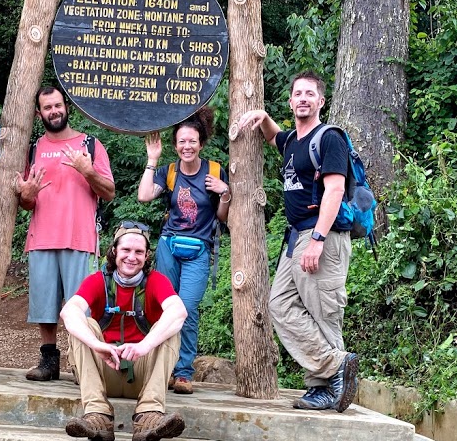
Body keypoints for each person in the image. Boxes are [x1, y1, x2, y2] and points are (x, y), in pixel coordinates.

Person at [236, 70, 359, 412]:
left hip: (322, 234)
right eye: (297, 94)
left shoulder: (329, 138)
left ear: (321, 101)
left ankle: (326, 388)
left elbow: (334, 189)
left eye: (310, 94)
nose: (303, 98)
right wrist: (263, 118)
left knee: (324, 312)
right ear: (290, 101)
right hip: (296, 237)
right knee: (280, 304)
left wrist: (318, 238)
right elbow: (274, 137)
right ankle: (335, 367)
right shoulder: (292, 141)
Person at [59, 223, 187, 441]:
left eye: (139, 252)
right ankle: (97, 416)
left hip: (143, 374)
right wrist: (97, 345)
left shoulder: (156, 281)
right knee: (83, 325)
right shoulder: (98, 280)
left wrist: (143, 346)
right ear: (114, 251)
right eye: (126, 250)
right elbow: (69, 311)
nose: (132, 257)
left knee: (168, 329)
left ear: (147, 256)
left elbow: (178, 311)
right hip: (103, 371)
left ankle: (149, 416)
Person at [18, 86, 115, 381]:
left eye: (58, 105)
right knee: (44, 307)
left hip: (81, 237)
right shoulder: (33, 149)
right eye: (47, 108)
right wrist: (28, 195)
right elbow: (25, 201)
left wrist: (88, 171)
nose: (54, 111)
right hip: (42, 237)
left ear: (66, 106)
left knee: (82, 307)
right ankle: (49, 361)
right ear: (39, 114)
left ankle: (81, 363)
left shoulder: (90, 145)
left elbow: (109, 192)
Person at [138, 108, 230, 395]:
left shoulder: (214, 172)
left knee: (186, 310)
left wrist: (225, 192)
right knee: (165, 308)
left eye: (192, 141)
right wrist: (152, 161)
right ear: (175, 145)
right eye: (181, 142)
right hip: (169, 246)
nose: (186, 147)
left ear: (201, 143)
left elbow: (223, 217)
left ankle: (183, 372)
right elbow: (143, 196)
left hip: (199, 249)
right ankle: (161, 368)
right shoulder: (170, 172)